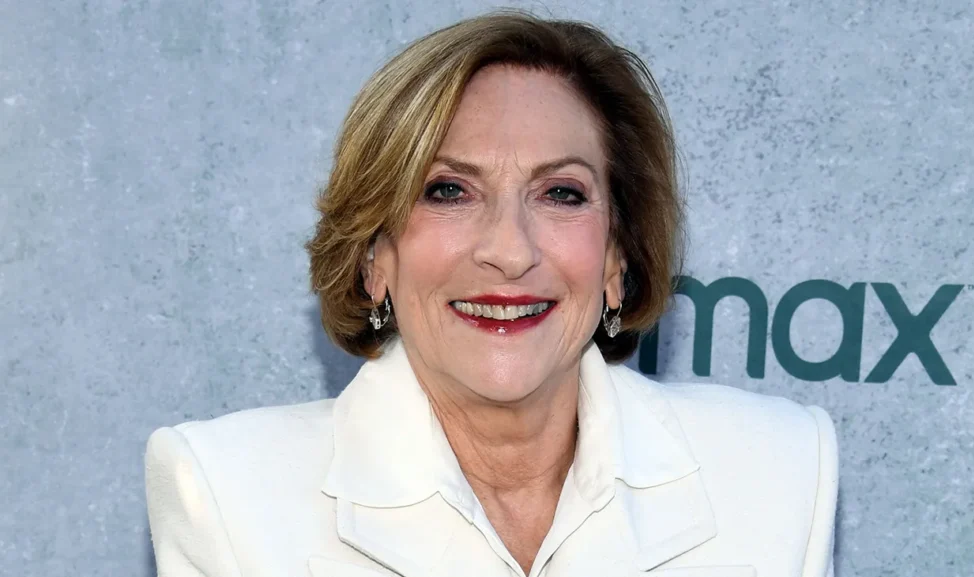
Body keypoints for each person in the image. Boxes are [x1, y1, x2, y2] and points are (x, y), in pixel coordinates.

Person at [145, 11, 838, 577]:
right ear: (373, 256)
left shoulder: (779, 470)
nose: (509, 249)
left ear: (616, 260)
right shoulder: (227, 494)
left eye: (561, 193)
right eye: (449, 191)